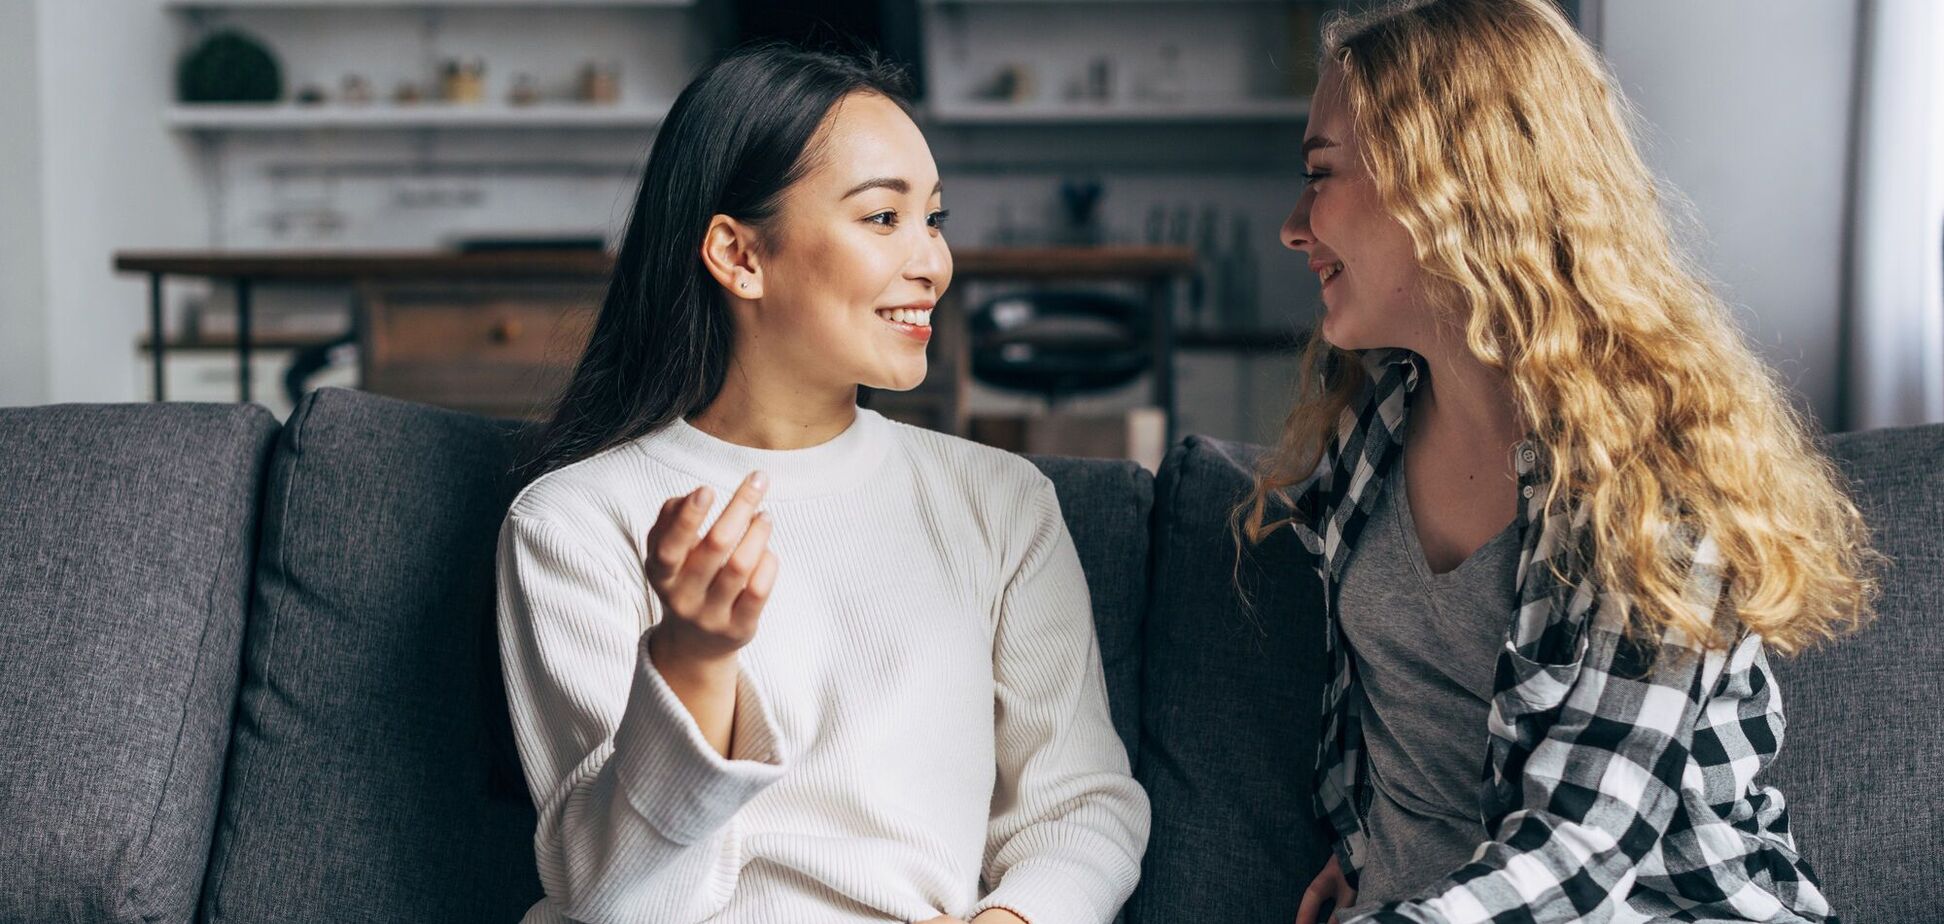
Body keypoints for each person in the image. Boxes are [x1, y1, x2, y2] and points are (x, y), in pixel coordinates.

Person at [1235, 2, 1881, 921]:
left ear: (1447, 184)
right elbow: (1402, 723)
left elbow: (1582, 848)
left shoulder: (1654, 483)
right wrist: (1367, 850)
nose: (1296, 225)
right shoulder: (1369, 435)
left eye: (1320, 176)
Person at [496, 44, 1148, 924]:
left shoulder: (1002, 503)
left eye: (935, 219)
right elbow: (619, 901)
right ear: (739, 255)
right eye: (883, 218)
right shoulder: (572, 521)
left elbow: (1081, 808)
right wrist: (692, 661)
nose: (933, 264)